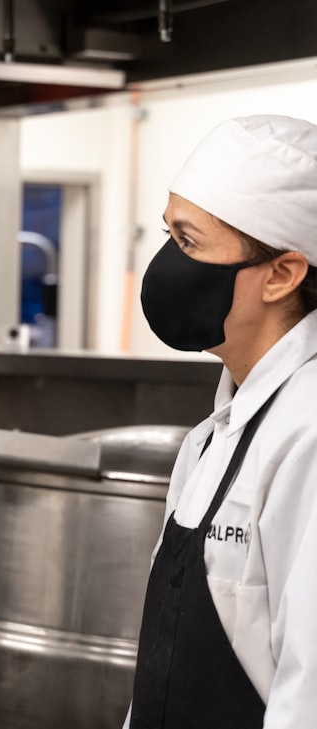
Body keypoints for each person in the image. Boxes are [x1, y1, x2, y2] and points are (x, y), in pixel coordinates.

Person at [127, 114, 317, 728]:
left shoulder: (308, 432)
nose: (165, 265)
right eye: (168, 235)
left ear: (282, 274)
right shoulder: (214, 435)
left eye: (188, 242)